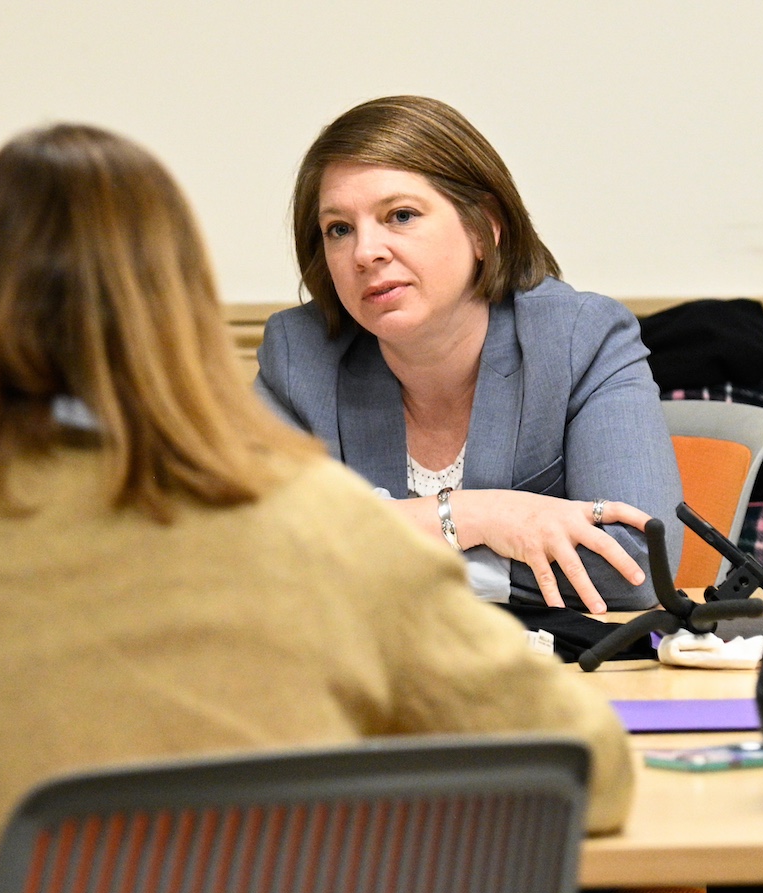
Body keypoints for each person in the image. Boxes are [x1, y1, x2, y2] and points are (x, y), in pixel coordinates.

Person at [0, 123, 634, 893]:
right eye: (339, 228)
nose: (366, 248)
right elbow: (589, 766)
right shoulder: (322, 532)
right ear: (181, 306)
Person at [256, 95, 683, 614]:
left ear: (483, 228)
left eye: (401, 215)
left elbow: (634, 569)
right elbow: (245, 553)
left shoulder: (581, 341)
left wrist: (366, 554)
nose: (365, 252)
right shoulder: (298, 356)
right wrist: (472, 515)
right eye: (339, 229)